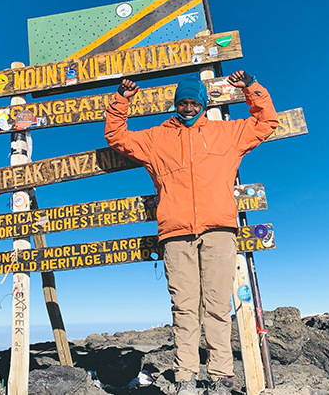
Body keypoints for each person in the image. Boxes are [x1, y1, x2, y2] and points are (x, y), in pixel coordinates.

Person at [105, 71, 278, 395]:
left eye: (193, 101)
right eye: (183, 102)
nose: (188, 107)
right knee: (184, 308)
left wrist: (251, 87)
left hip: (219, 232)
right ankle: (185, 377)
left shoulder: (227, 133)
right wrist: (121, 100)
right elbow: (117, 137)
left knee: (216, 305)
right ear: (176, 104)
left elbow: (266, 121)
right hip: (176, 234)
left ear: (202, 102)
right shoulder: (156, 138)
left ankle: (220, 377)